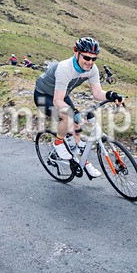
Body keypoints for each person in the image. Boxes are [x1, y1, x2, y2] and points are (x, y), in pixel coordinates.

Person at [34, 37, 124, 179]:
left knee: (76, 127)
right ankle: (58, 143)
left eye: (94, 59)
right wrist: (74, 113)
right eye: (87, 58)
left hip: (62, 94)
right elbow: (57, 101)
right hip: (44, 96)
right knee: (69, 115)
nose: (90, 62)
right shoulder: (65, 68)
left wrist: (111, 95)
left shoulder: (92, 69)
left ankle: (83, 161)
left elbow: (97, 93)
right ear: (76, 53)